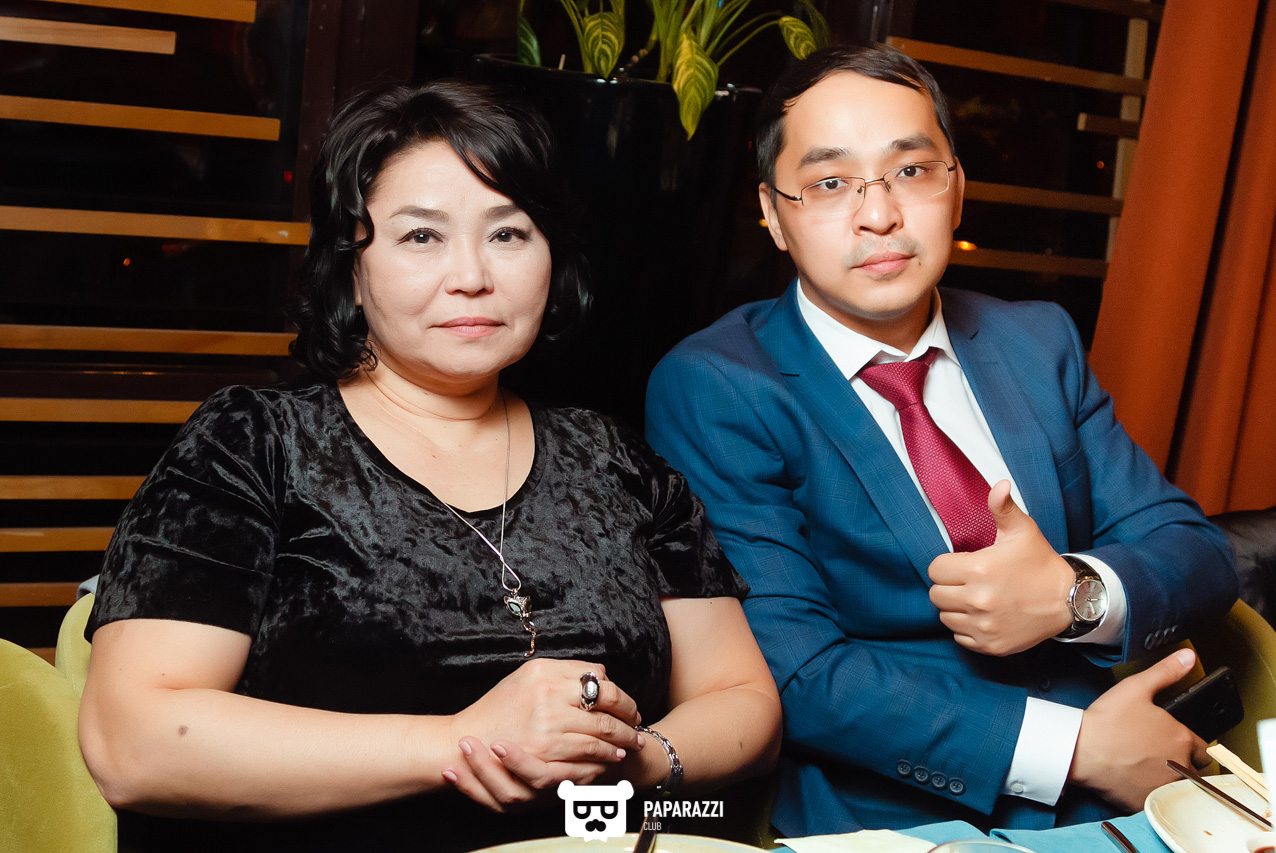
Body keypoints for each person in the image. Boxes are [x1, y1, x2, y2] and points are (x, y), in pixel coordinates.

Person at [78, 80, 781, 853]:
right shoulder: (253, 444)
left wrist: (635, 760)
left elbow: (743, 699)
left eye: (508, 233)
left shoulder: (614, 460)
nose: (472, 274)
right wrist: (464, 743)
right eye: (421, 236)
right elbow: (133, 743)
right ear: (351, 267)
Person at [645, 44, 1238, 834]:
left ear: (957, 187)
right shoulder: (717, 384)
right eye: (829, 183)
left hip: (1138, 780)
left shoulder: (1037, 340)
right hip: (897, 815)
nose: (879, 215)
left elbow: (1198, 552)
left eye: (911, 170)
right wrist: (1074, 748)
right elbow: (798, 671)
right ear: (774, 214)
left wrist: (1072, 595)